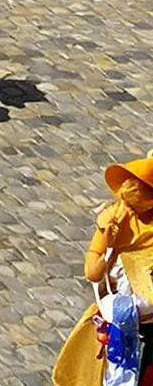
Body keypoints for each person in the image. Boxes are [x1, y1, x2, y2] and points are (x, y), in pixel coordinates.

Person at [53, 152, 153, 386]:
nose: (126, 212)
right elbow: (93, 273)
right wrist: (109, 247)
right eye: (125, 204)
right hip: (117, 318)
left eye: (134, 208)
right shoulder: (111, 220)